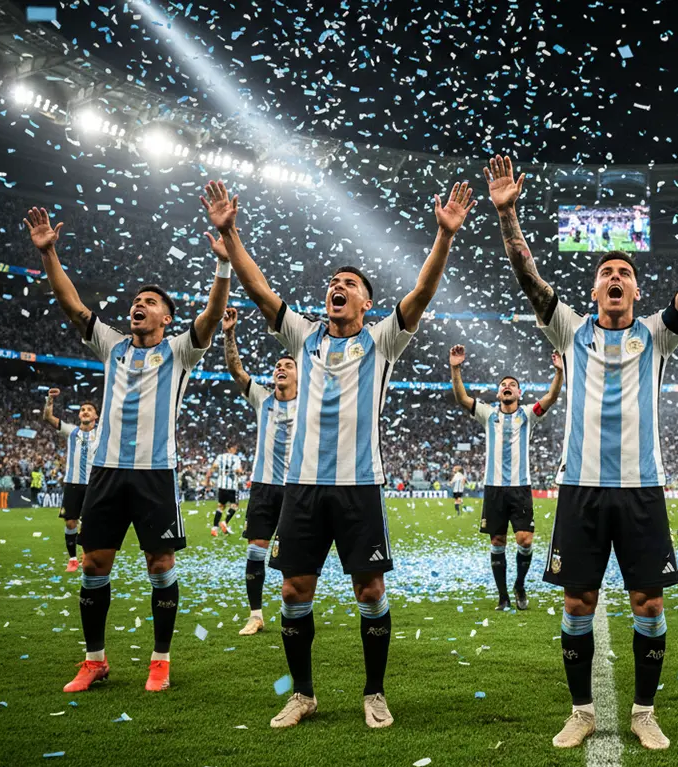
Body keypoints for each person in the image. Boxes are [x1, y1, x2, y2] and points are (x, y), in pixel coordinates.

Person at [486, 153, 678, 750]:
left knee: (647, 600)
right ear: (593, 287)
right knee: (578, 600)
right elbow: (527, 275)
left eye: (624, 272)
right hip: (580, 487)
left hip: (640, 489)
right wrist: (509, 217)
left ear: (634, 288)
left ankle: (643, 710)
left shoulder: (655, 334)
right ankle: (581, 712)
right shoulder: (570, 329)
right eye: (606, 270)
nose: (614, 277)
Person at [202, 177, 474, 729]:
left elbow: (420, 294)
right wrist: (230, 235)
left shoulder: (381, 340)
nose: (338, 286)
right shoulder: (304, 338)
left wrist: (443, 237)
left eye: (349, 282)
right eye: (334, 281)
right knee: (294, 589)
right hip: (301, 488)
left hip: (359, 487)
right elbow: (259, 292)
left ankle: (374, 692)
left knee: (370, 589)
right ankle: (302, 694)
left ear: (366, 302)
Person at [25, 205, 230, 694]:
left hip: (155, 473)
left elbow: (212, 315)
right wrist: (50, 252)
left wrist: (223, 265)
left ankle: (160, 660)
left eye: (150, 301)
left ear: (166, 316)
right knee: (95, 564)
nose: (139, 304)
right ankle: (95, 660)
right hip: (107, 473)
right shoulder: (113, 346)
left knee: (160, 565)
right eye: (137, 300)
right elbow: (71, 303)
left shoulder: (180, 351)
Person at [449, 344, 563, 611]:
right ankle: (503, 595)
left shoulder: (527, 415)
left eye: (512, 384)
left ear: (519, 392)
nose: (508, 386)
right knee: (497, 541)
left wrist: (559, 373)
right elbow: (462, 398)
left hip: (520, 488)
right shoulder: (488, 414)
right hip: (494, 489)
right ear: (499, 393)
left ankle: (520, 584)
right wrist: (455, 368)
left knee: (525, 540)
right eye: (504, 385)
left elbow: (552, 396)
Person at [220, 306, 299, 635]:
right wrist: (229, 333)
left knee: (292, 557)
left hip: (297, 487)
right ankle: (256, 615)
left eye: (288, 365)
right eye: (278, 365)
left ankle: (292, 609)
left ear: (299, 374)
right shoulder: (262, 399)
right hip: (264, 487)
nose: (280, 368)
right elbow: (236, 370)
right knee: (255, 551)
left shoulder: (310, 399)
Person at [42, 387, 100, 572]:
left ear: (96, 416)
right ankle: (73, 558)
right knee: (70, 522)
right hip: (73, 483)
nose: (85, 412)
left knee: (91, 522)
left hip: (93, 484)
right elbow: (48, 418)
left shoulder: (101, 434)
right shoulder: (71, 431)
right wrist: (49, 401)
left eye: (89, 410)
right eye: (82, 409)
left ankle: (88, 554)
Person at [204, 443, 244, 537]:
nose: (236, 450)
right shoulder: (236, 458)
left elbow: (213, 468)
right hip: (231, 486)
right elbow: (238, 470)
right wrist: (241, 472)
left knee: (221, 506)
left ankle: (214, 528)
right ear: (232, 448)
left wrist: (207, 480)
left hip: (221, 485)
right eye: (235, 448)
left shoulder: (220, 457)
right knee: (234, 505)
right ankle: (225, 522)